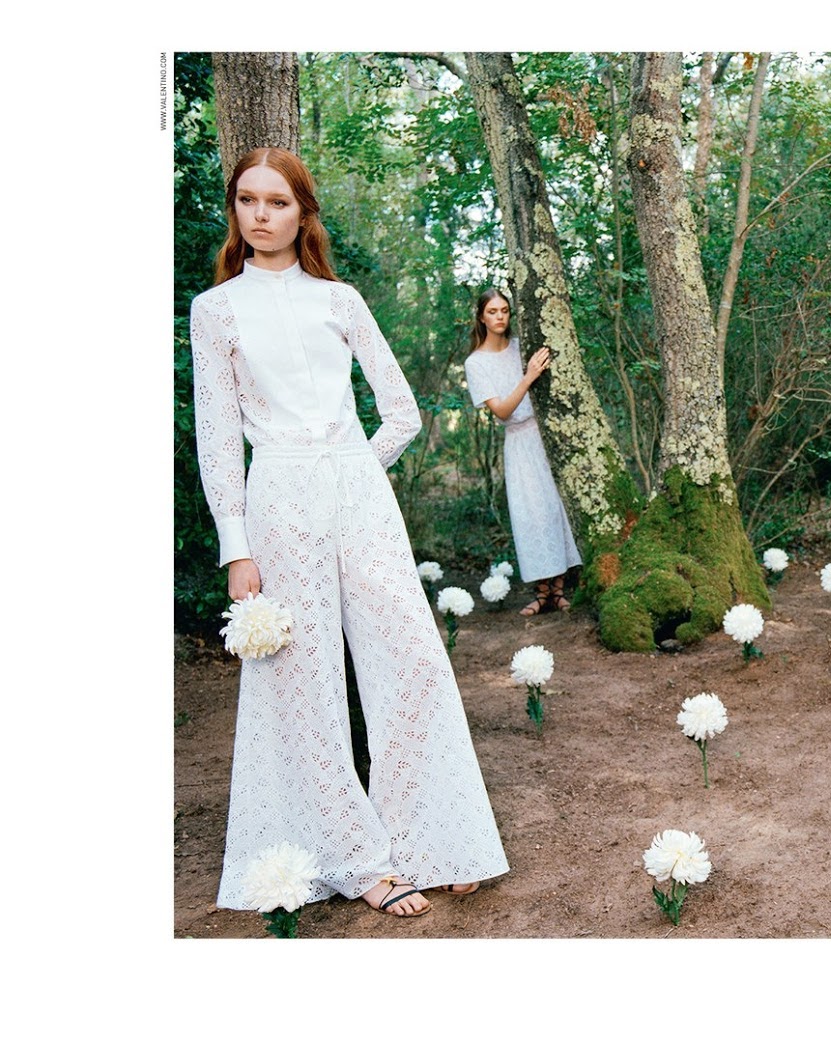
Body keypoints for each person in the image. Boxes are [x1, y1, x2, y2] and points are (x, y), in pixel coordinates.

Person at [190, 147, 509, 918]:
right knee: (304, 684)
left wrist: (353, 468)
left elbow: (402, 412)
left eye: (277, 201)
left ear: (303, 212)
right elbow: (218, 438)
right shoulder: (216, 310)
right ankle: (359, 861)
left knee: (413, 657)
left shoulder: (340, 300)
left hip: (358, 494)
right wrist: (236, 545)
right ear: (235, 210)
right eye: (247, 200)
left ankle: (437, 840)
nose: (261, 214)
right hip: (275, 502)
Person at [463, 290, 583, 615]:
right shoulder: (476, 363)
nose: (500, 316)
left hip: (544, 435)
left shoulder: (521, 346)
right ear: (481, 317)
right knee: (531, 514)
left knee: (555, 508)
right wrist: (529, 376)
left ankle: (558, 591)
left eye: (504, 310)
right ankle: (541, 593)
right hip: (518, 441)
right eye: (492, 311)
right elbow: (502, 411)